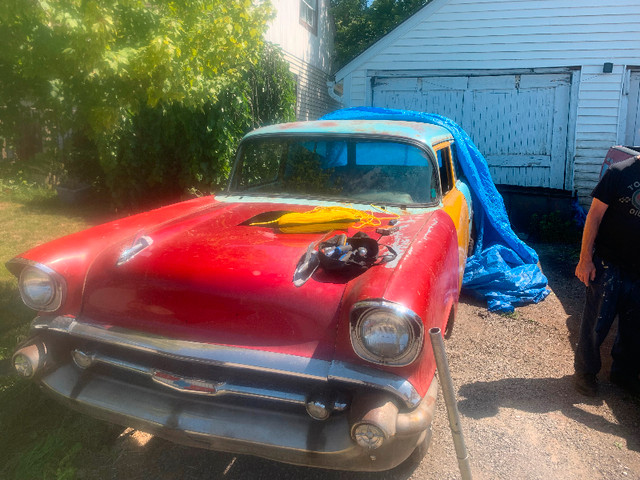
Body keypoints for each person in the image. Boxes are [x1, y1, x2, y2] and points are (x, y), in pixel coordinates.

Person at [573, 154, 640, 396]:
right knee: (597, 321)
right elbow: (594, 216)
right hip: (608, 262)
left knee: (634, 326)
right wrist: (585, 259)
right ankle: (585, 372)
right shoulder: (619, 172)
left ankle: (623, 374)